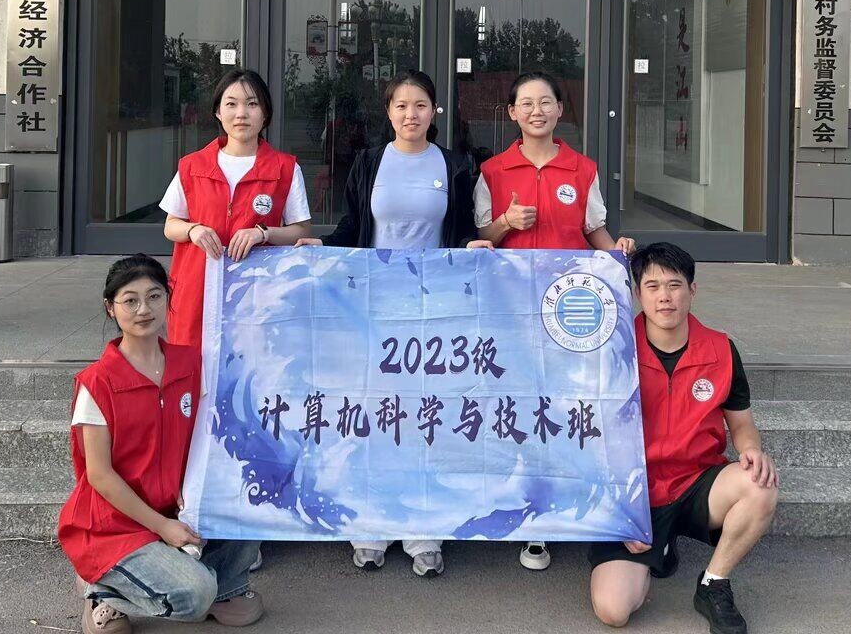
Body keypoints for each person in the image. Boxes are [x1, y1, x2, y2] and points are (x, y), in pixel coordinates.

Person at [297, 69, 492, 577]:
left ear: (434, 111)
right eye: (402, 105)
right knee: (376, 411)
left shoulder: (454, 164)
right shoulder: (369, 162)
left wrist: (472, 244)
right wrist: (323, 245)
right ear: (388, 112)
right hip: (374, 307)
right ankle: (371, 524)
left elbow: (461, 229)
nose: (411, 114)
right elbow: (353, 225)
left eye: (421, 105)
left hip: (433, 308)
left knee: (427, 412)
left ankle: (424, 529)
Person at [476, 70, 635, 570]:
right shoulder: (493, 171)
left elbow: (595, 232)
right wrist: (506, 223)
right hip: (512, 310)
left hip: (569, 312)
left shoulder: (582, 169)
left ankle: (573, 505)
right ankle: (533, 519)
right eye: (526, 103)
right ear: (512, 113)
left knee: (567, 403)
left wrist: (618, 250)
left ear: (560, 110)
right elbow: (481, 236)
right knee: (522, 404)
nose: (536, 111)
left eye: (546, 102)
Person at [58, 255, 264, 634]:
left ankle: (226, 588)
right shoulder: (97, 383)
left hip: (177, 507)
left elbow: (210, 436)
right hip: (114, 526)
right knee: (195, 593)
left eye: (154, 296)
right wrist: (162, 526)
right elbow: (100, 475)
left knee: (253, 500)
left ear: (168, 299)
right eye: (130, 300)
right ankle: (102, 589)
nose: (144, 309)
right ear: (110, 307)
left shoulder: (191, 363)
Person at [588, 243, 777, 634]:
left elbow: (741, 424)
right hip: (634, 490)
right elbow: (590, 440)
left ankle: (713, 583)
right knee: (613, 610)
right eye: (653, 286)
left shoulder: (721, 349)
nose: (665, 297)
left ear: (692, 290)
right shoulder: (614, 347)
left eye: (674, 285)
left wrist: (751, 450)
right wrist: (620, 513)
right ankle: (659, 548)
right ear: (637, 293)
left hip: (696, 483)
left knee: (760, 484)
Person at [161, 69, 312, 347]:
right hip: (196, 291)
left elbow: (300, 230)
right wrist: (193, 230)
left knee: (253, 362)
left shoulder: (285, 168)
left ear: (265, 113)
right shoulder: (192, 166)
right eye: (231, 104)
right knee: (193, 365)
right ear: (218, 112)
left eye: (252, 104)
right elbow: (171, 226)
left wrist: (263, 233)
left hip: (258, 294)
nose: (241, 113)